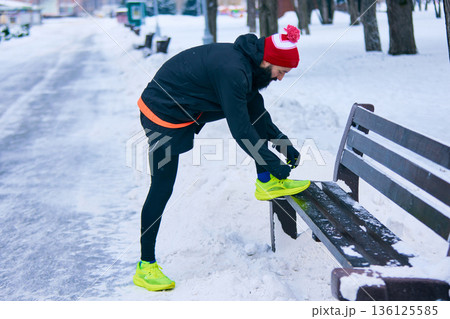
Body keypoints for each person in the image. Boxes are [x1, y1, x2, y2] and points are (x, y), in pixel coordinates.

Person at [133, 25, 311, 292]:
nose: (281, 78)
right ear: (267, 61)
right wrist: (275, 162)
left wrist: (283, 146)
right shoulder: (233, 71)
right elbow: (240, 131)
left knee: (254, 108)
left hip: (188, 105)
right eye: (281, 71)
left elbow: (256, 115)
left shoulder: (249, 66)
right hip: (162, 112)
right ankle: (145, 266)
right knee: (162, 187)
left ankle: (266, 181)